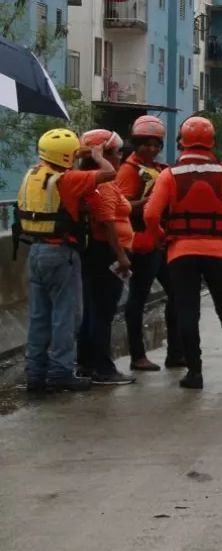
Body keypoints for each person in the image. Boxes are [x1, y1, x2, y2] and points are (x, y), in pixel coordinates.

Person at [144, 116, 222, 390]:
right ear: (212, 142)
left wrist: (161, 238)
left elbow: (151, 213)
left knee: (187, 310)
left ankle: (194, 372)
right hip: (218, 252)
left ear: (182, 141)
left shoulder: (169, 175)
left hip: (181, 253)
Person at [17, 129, 117, 394]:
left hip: (35, 251)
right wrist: (97, 155)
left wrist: (77, 152)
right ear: (66, 157)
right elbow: (109, 173)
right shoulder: (69, 179)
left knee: (39, 317)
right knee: (66, 316)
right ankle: (61, 372)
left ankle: (35, 374)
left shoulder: (35, 174)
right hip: (61, 254)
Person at [116, 114, 182, 372]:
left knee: (176, 293)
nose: (152, 149)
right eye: (146, 144)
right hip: (142, 242)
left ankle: (175, 352)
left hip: (160, 240)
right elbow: (120, 207)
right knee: (138, 298)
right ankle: (137, 355)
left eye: (156, 144)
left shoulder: (157, 169)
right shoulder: (129, 171)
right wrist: (148, 204)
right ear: (136, 143)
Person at [75, 129, 137, 386]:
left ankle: (87, 363)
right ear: (104, 154)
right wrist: (121, 256)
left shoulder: (84, 178)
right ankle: (103, 368)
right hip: (108, 252)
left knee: (92, 310)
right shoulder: (103, 182)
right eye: (117, 152)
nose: (121, 156)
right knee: (103, 312)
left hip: (93, 253)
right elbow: (108, 222)